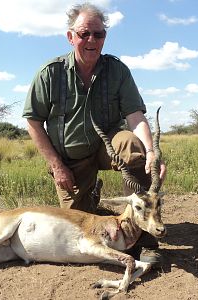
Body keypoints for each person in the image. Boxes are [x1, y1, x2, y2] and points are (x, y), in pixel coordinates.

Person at [23, 3, 166, 265]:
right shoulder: (49, 73)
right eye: (83, 34)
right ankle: (92, 197)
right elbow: (33, 122)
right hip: (71, 159)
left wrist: (151, 152)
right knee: (79, 225)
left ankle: (144, 240)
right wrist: (57, 166)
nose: (91, 40)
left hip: (107, 148)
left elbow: (135, 116)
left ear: (104, 37)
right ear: (70, 37)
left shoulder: (117, 70)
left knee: (134, 147)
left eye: (98, 34)